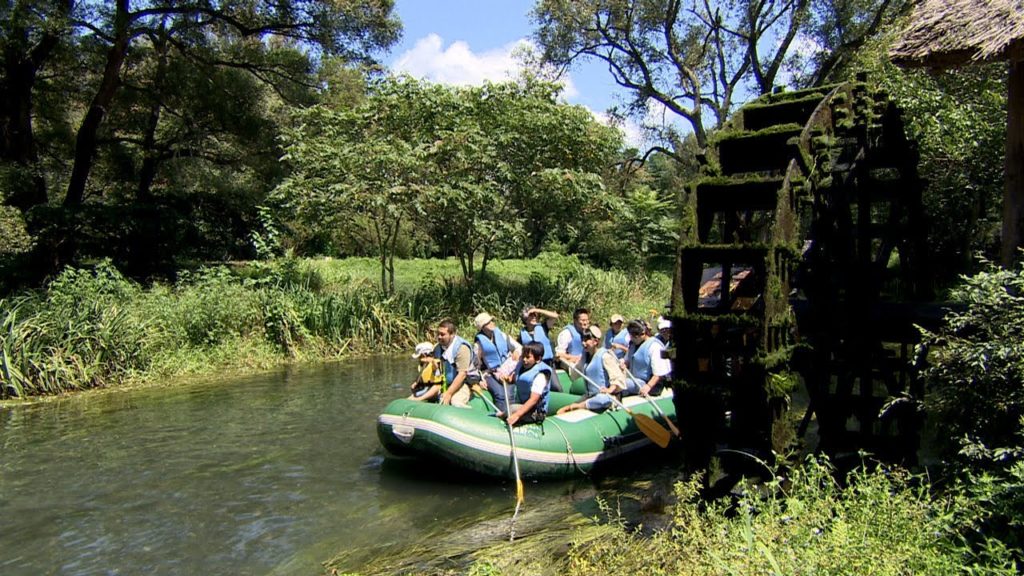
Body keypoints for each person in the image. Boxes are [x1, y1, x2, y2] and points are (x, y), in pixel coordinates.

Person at [557, 326, 627, 414]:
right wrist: (563, 360)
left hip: (607, 396)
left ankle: (578, 406)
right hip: (590, 396)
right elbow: (576, 371)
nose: (583, 343)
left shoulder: (605, 356)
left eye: (586, 340)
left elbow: (617, 377)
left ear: (595, 341)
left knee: (602, 399)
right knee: (562, 412)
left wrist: (609, 390)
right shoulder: (584, 356)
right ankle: (579, 405)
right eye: (582, 340)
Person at [473, 311, 522, 410]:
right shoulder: (478, 345)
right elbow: (475, 365)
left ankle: (512, 414)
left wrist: (516, 351)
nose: (492, 323)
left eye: (491, 321)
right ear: (482, 327)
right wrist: (479, 381)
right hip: (490, 373)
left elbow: (519, 347)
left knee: (510, 393)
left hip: (507, 370)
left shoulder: (502, 335)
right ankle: (501, 416)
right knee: (500, 394)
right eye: (488, 322)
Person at [497, 342, 552, 426]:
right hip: (521, 405)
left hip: (534, 412)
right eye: (523, 356)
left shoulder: (540, 375)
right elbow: (515, 379)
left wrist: (517, 415)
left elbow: (533, 400)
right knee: (510, 409)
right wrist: (507, 379)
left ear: (538, 359)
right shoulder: (522, 366)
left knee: (511, 409)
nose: (524, 360)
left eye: (528, 357)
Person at [434, 319, 481, 407]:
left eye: (443, 334)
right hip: (445, 382)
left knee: (456, 402)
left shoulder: (462, 348)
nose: (439, 337)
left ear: (452, 335)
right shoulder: (437, 348)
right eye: (438, 334)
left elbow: (462, 374)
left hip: (466, 381)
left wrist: (448, 393)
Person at [623, 318, 671, 397]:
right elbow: (628, 360)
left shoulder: (654, 346)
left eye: (632, 336)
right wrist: (625, 364)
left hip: (651, 384)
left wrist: (648, 386)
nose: (631, 338)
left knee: (624, 384)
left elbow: (659, 374)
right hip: (636, 380)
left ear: (641, 334)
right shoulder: (633, 344)